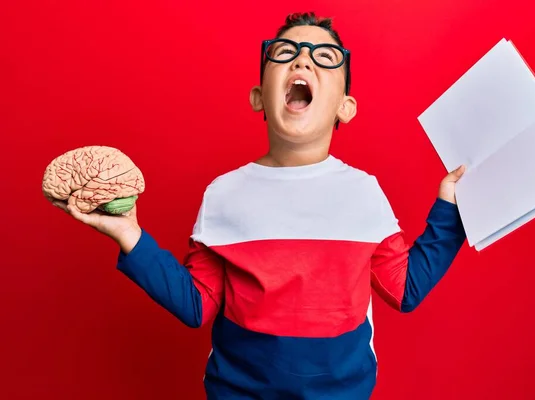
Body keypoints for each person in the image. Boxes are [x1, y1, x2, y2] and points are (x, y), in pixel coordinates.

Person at [53, 12, 466, 399]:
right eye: (285, 53)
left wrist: (451, 208)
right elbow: (197, 305)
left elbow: (405, 289)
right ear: (258, 97)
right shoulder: (223, 194)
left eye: (324, 57)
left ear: (346, 106)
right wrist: (130, 234)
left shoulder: (364, 191)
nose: (302, 62)